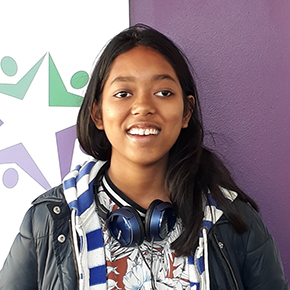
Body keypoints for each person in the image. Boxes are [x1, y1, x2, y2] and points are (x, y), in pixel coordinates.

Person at [0, 24, 288, 290]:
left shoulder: (234, 220)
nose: (143, 107)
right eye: (124, 93)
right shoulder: (49, 222)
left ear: (186, 112)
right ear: (98, 113)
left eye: (163, 92)